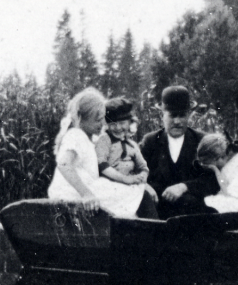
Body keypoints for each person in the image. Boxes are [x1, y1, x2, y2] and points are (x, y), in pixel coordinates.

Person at [47, 88, 157, 218]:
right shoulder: (76, 135)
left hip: (87, 188)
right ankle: (157, 230)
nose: (102, 124)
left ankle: (151, 228)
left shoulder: (91, 139)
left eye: (103, 119)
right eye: (97, 120)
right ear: (82, 119)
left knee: (137, 196)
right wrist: (86, 194)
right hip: (74, 192)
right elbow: (64, 164)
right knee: (140, 196)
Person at [140, 85, 219, 218]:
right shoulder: (150, 141)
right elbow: (136, 172)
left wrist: (185, 186)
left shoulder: (202, 140)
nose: (177, 121)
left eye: (182, 115)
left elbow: (214, 179)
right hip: (158, 216)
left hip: (194, 217)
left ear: (189, 115)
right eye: (172, 115)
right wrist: (145, 186)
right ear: (162, 115)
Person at [95, 97, 150, 188]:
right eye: (113, 124)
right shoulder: (105, 140)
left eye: (122, 123)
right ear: (107, 125)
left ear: (130, 122)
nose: (118, 128)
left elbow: (143, 167)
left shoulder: (132, 145)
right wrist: (125, 179)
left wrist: (142, 176)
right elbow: (101, 164)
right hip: (109, 185)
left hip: (130, 186)